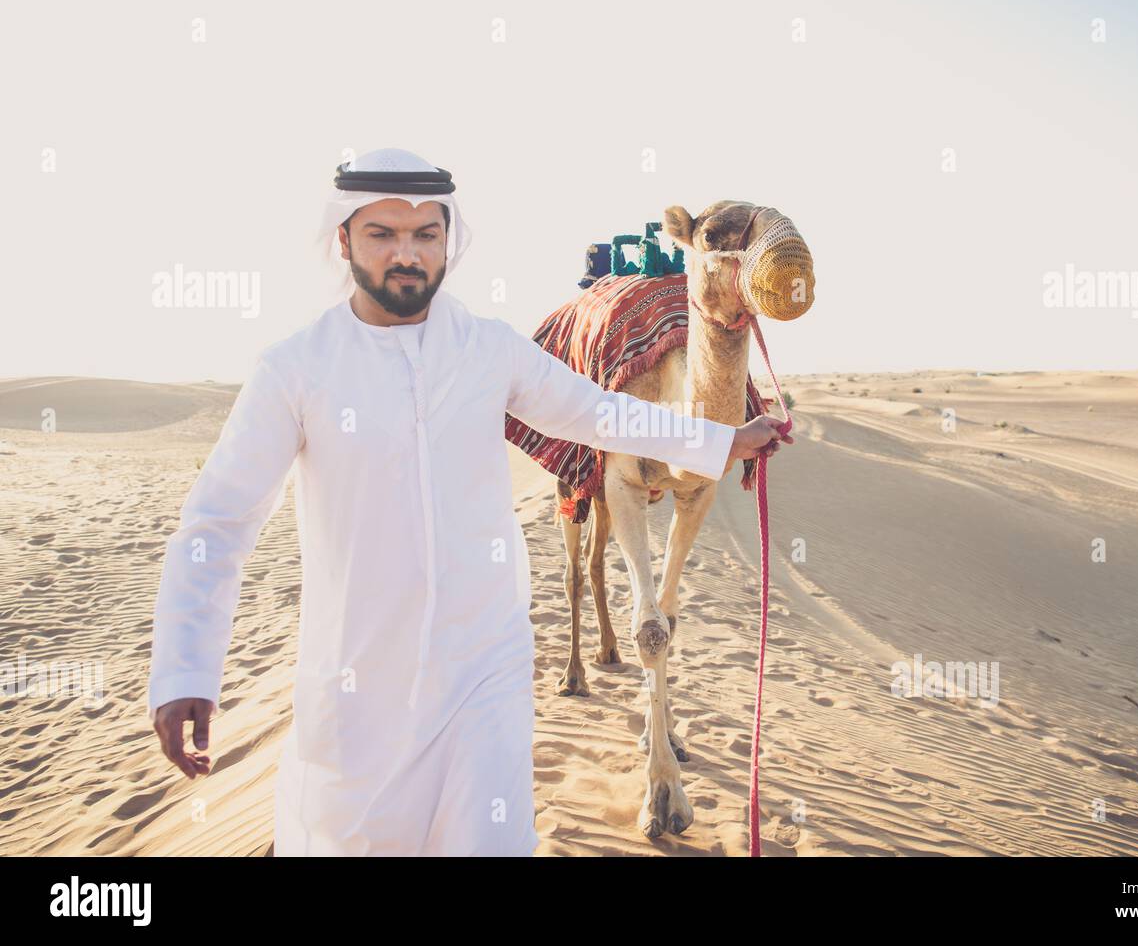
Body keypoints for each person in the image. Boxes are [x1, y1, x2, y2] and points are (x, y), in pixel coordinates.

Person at [146, 147, 792, 855]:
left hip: (483, 678)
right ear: (343, 241)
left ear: (448, 240)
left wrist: (722, 441)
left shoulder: (488, 350)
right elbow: (219, 520)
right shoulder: (296, 370)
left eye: (426, 235)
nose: (407, 254)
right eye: (383, 234)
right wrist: (184, 667)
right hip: (358, 694)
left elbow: (602, 414)